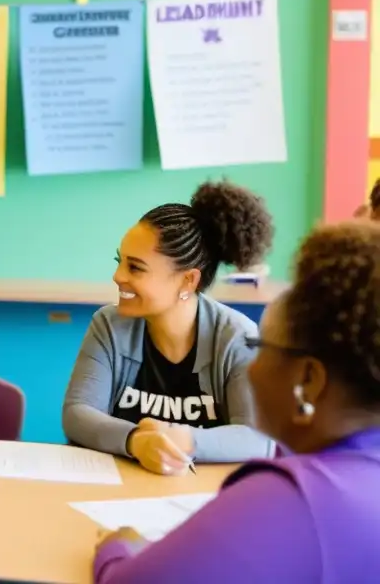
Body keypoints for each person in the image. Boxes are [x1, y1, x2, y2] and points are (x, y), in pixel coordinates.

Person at [93, 220, 380, 582]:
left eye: (261, 348)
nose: (253, 369)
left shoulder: (287, 501)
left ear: (308, 380)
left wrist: (117, 547)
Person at [62, 181, 275, 474]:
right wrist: (136, 441)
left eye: (135, 267)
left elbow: (257, 438)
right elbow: (77, 414)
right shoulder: (108, 325)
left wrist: (183, 439)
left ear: (188, 280)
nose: (117, 276)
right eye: (119, 262)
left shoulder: (236, 336)